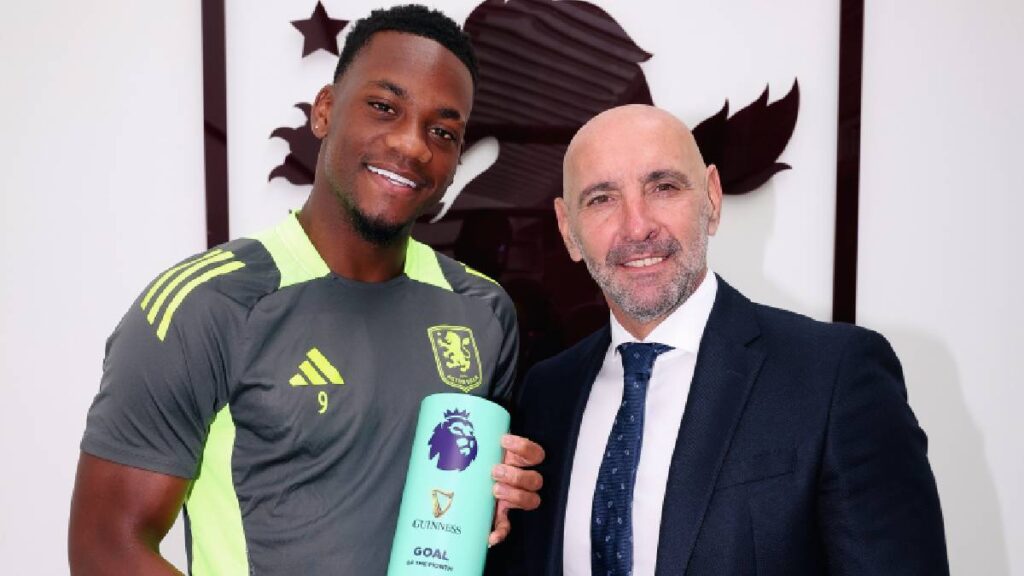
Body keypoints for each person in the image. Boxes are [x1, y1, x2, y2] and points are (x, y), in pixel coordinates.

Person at [69, 6, 543, 575]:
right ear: (325, 111)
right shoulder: (206, 305)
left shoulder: (483, 310)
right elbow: (105, 546)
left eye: (442, 131)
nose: (413, 146)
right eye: (384, 107)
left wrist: (500, 496)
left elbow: (463, 515)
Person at [498, 105, 947, 575]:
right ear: (568, 229)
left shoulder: (836, 376)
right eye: (602, 199)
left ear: (711, 198)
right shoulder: (547, 393)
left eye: (664, 187)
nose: (637, 226)